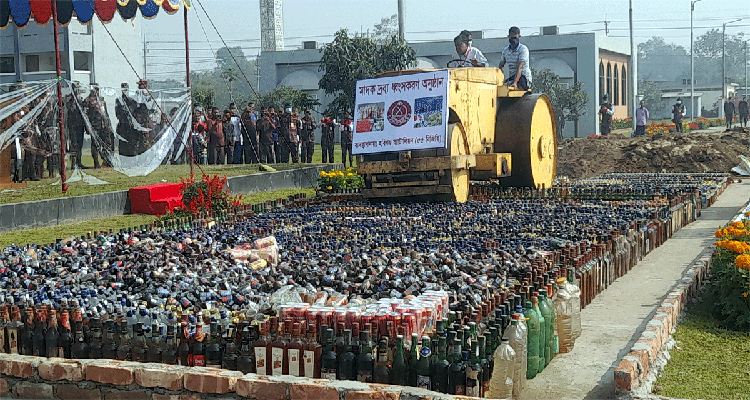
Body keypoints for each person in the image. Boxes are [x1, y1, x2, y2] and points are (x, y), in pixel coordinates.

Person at [498, 26, 532, 90]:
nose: (513, 40)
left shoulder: (523, 49)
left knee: (517, 85)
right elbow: (501, 65)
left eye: (515, 38)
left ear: (519, 36)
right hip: (512, 77)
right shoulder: (506, 51)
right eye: (511, 38)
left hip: (523, 78)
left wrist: (515, 83)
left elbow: (520, 66)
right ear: (508, 37)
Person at [66, 83, 87, 169]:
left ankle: (79, 162)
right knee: (74, 144)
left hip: (80, 125)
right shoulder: (70, 100)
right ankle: (73, 163)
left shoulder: (81, 100)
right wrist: (75, 99)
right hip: (73, 126)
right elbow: (71, 108)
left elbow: (84, 112)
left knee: (80, 144)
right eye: (76, 89)